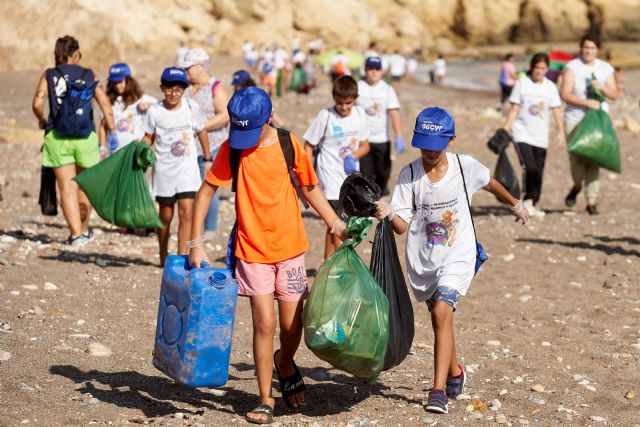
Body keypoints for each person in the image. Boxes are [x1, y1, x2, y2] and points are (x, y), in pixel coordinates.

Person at [188, 86, 348, 424]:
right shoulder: (233, 148)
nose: (245, 137)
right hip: (252, 250)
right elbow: (206, 192)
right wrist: (195, 243)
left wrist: (334, 222)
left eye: (251, 129)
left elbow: (309, 186)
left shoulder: (290, 145)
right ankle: (265, 398)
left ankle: (285, 362)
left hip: (290, 249)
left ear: (268, 117)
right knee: (264, 322)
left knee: (293, 327)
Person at [375, 107, 529, 415]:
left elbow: (490, 182)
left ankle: (438, 389)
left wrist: (515, 203)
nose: (430, 151)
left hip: (458, 253)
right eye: (424, 145)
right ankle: (456, 370)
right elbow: (403, 226)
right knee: (441, 318)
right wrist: (389, 212)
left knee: (442, 311)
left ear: (451, 140)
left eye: (436, 145)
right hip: (425, 259)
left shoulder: (465, 166)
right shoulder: (410, 175)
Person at [31, 35, 116, 247]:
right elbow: (105, 106)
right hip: (85, 137)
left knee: (66, 187)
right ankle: (85, 230)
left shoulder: (49, 74)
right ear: (75, 54)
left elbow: (37, 103)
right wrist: (113, 133)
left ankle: (76, 234)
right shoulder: (89, 74)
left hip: (58, 137)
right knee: (85, 186)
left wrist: (42, 121)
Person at [142, 67, 210, 266]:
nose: (174, 94)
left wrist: (207, 158)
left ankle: (180, 258)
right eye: (170, 89)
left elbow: (202, 130)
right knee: (165, 216)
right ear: (162, 88)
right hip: (163, 171)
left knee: (187, 212)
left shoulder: (191, 107)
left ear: (184, 90)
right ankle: (163, 253)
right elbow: (148, 137)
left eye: (179, 89)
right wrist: (137, 151)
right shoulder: (155, 111)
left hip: (187, 170)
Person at [303, 75, 370, 260]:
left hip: (350, 180)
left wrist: (353, 156)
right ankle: (339, 269)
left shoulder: (360, 114)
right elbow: (308, 146)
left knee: (333, 226)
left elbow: (365, 145)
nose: (344, 107)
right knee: (341, 226)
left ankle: (327, 267)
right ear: (334, 98)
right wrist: (308, 175)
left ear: (355, 99)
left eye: (348, 103)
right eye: (340, 103)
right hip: (329, 179)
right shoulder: (326, 116)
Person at [560, 33, 621, 215]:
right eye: (586, 47)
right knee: (577, 160)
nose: (588, 51)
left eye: (592, 48)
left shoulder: (605, 68)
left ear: (597, 50)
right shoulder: (572, 67)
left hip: (599, 121)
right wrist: (586, 103)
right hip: (576, 120)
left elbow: (615, 94)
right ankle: (577, 185)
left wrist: (602, 87)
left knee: (595, 159)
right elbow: (565, 94)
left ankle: (591, 201)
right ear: (581, 48)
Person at [502, 53, 565, 217]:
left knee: (538, 171)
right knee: (529, 167)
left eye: (543, 68)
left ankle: (534, 203)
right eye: (537, 67)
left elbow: (556, 110)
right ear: (532, 67)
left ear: (547, 69)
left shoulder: (550, 87)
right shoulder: (522, 84)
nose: (539, 71)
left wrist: (561, 132)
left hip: (541, 136)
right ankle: (527, 200)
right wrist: (506, 128)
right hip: (521, 133)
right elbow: (514, 109)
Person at [182, 48, 230, 238]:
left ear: (201, 67)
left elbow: (225, 115)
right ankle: (195, 226)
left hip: (213, 144)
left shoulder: (215, 88)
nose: (186, 72)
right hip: (190, 147)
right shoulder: (186, 87)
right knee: (192, 186)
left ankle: (209, 228)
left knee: (209, 185)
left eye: (189, 68)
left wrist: (200, 126)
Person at [357, 56, 404, 195]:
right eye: (370, 68)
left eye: (376, 68)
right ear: (365, 70)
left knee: (383, 171)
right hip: (363, 139)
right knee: (365, 172)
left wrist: (399, 136)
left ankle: (381, 187)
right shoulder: (358, 87)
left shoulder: (387, 89)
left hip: (382, 138)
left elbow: (394, 113)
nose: (373, 72)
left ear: (381, 71)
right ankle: (369, 199)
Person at [100, 63, 157, 155]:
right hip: (114, 154)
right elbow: (103, 126)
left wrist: (149, 105)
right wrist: (102, 148)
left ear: (128, 80)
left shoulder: (142, 99)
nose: (117, 86)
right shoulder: (109, 102)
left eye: (120, 81)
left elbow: (162, 108)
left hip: (134, 153)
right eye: (114, 82)